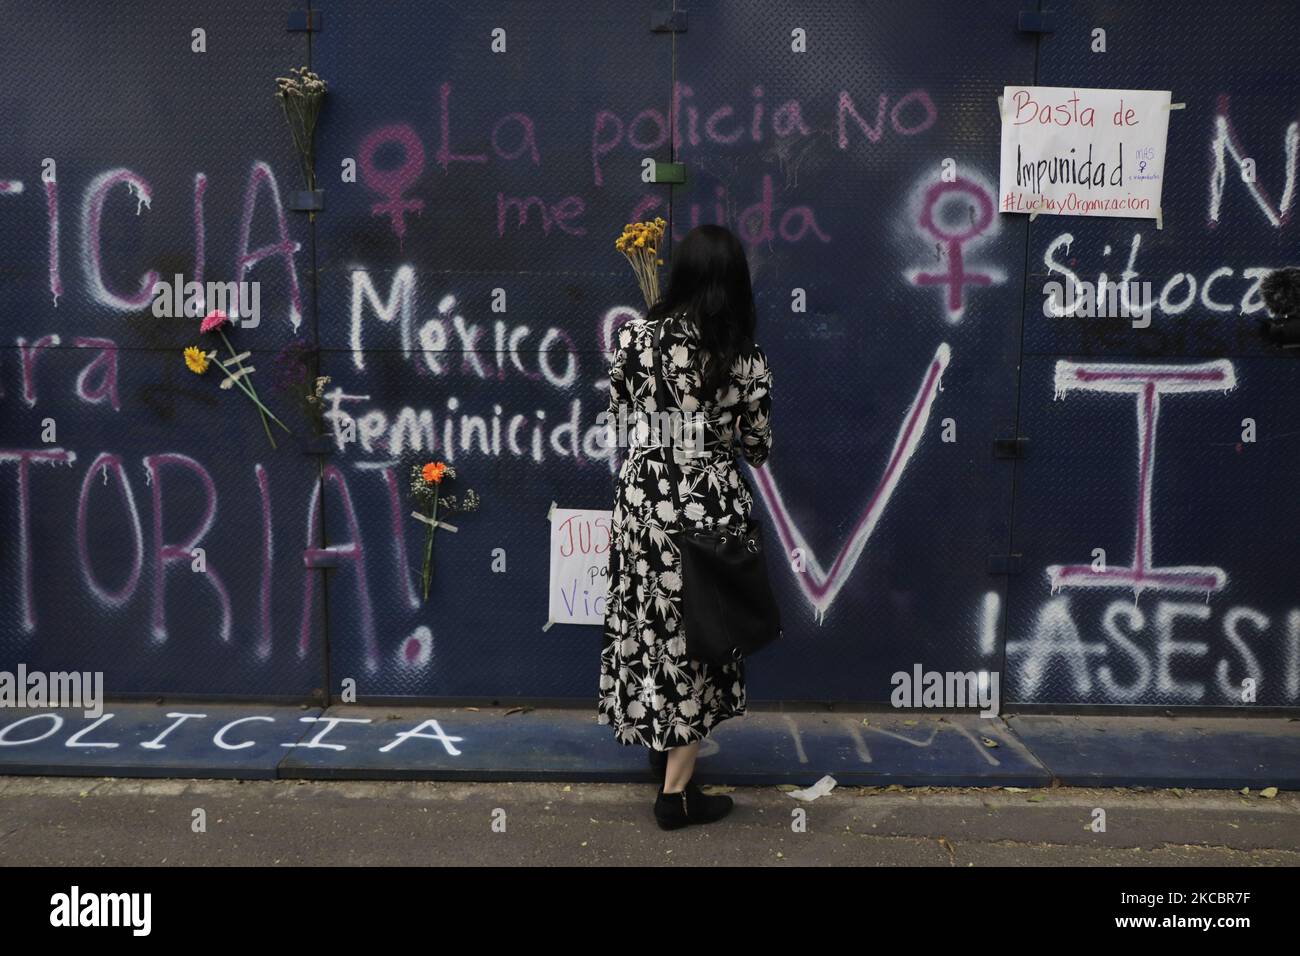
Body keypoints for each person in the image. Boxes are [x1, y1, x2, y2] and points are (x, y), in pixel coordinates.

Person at [597, 223, 774, 830]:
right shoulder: (742, 357)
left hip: (643, 504)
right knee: (700, 639)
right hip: (708, 513)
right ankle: (675, 796)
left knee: (651, 628)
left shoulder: (632, 339)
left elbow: (620, 412)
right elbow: (757, 447)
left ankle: (661, 752)